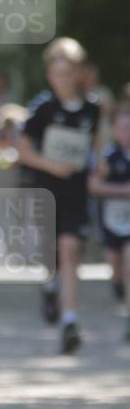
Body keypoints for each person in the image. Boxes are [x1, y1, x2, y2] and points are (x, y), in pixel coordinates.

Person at [17, 38, 100, 354]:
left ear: (78, 73)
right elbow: (22, 151)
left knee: (70, 250)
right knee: (50, 252)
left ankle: (70, 322)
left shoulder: (92, 109)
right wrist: (52, 165)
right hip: (46, 189)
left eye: (68, 73)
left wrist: (98, 171)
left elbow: (96, 146)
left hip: (75, 192)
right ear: (50, 74)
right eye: (56, 73)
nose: (62, 79)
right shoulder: (43, 108)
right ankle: (49, 286)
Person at [88, 104, 130, 341]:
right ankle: (117, 283)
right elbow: (94, 185)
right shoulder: (108, 157)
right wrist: (122, 190)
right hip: (112, 221)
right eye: (123, 127)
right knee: (116, 265)